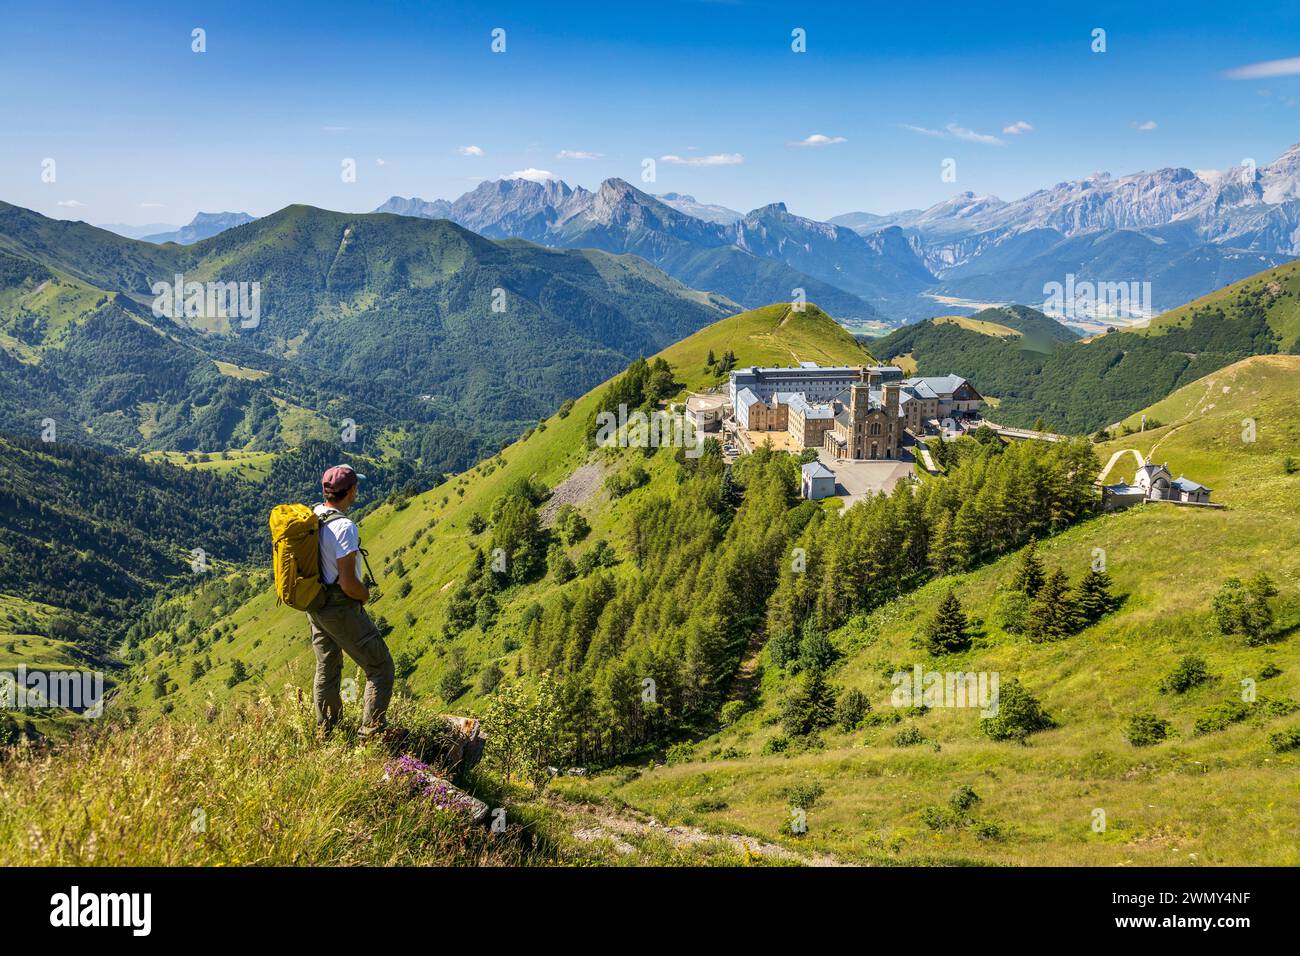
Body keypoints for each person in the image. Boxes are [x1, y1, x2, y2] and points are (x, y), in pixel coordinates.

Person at [307, 464, 394, 737]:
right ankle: (371, 733)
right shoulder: (344, 527)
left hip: (316, 604)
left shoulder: (314, 514)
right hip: (339, 608)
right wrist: (364, 594)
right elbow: (347, 582)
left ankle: (326, 731)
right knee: (380, 667)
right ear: (351, 491)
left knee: (327, 667)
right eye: (357, 487)